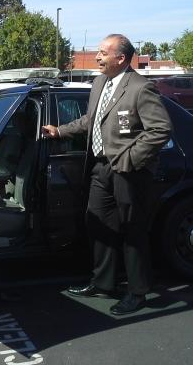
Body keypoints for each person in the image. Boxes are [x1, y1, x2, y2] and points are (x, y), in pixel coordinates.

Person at [42, 33, 172, 315]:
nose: (97, 56)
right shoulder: (99, 82)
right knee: (98, 224)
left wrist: (129, 159)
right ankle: (103, 283)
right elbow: (92, 119)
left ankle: (137, 292)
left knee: (132, 231)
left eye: (103, 52)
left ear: (121, 58)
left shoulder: (141, 87)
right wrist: (60, 130)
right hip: (101, 167)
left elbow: (160, 130)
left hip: (129, 171)